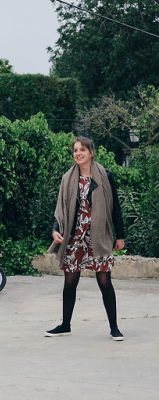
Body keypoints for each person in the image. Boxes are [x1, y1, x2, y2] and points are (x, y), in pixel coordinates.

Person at [45, 137, 125, 341]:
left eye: (82, 150)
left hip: (99, 236)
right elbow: (61, 209)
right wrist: (55, 230)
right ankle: (65, 325)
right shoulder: (68, 178)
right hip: (75, 236)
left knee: (104, 280)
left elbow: (116, 208)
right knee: (70, 281)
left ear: (91, 152)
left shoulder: (106, 175)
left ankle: (114, 327)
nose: (78, 153)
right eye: (75, 150)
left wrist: (120, 235)